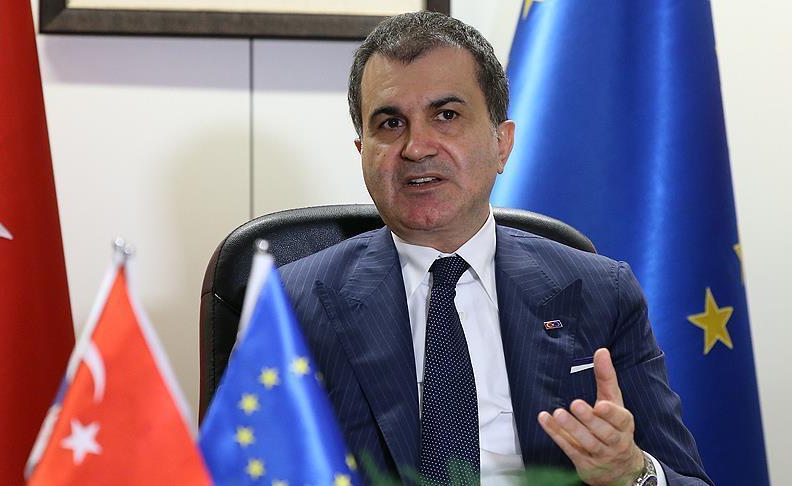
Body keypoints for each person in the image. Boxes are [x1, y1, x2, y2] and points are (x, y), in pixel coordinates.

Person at [279, 11, 710, 485]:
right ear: (363, 151)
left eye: (446, 116)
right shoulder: (292, 307)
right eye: (390, 122)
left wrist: (631, 471)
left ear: (501, 144)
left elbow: (686, 478)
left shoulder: (601, 294)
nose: (417, 147)